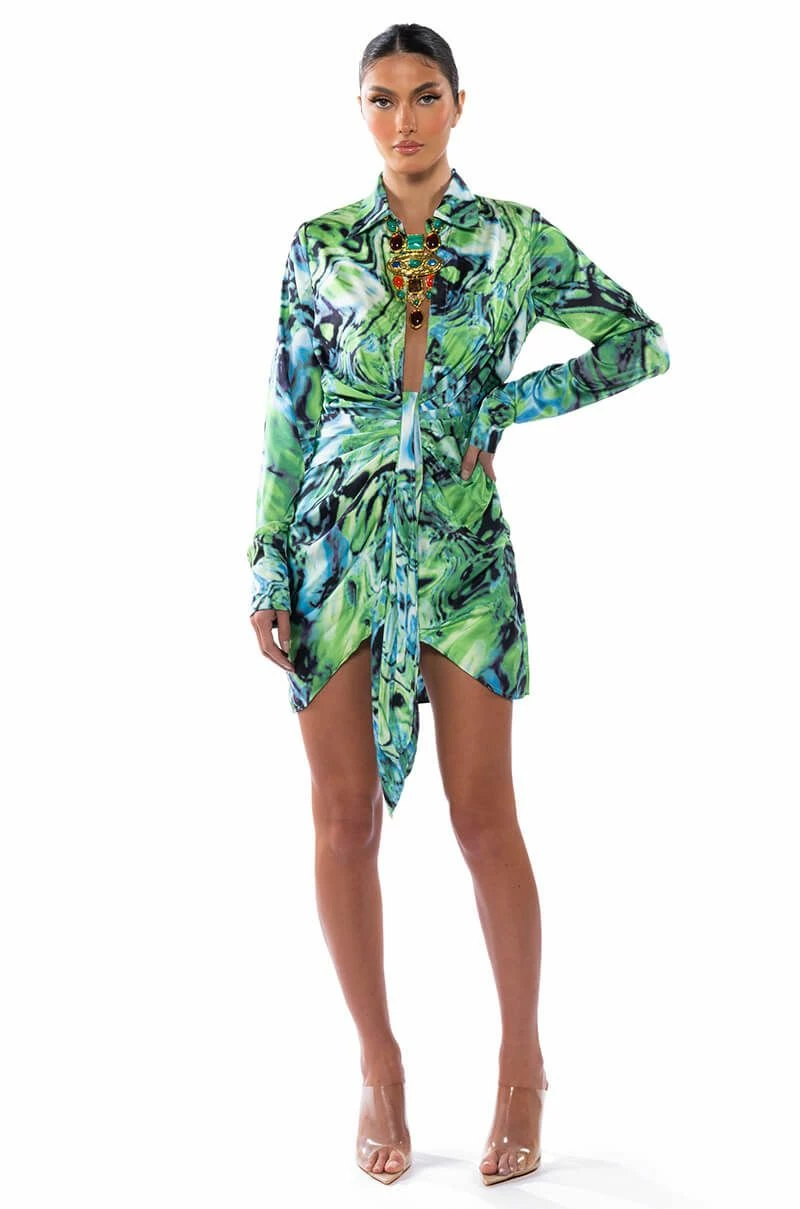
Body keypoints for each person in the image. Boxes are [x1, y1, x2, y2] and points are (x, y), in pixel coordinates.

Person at [247, 22, 670, 1187]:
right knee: (342, 822)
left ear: (458, 105)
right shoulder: (319, 246)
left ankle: (521, 1066)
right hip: (333, 553)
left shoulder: (513, 238)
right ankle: (377, 1068)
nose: (403, 120)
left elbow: (636, 342)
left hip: (460, 561)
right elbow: (287, 412)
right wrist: (267, 563)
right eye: (380, 99)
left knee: (483, 820)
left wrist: (503, 405)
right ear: (360, 111)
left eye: (424, 96)